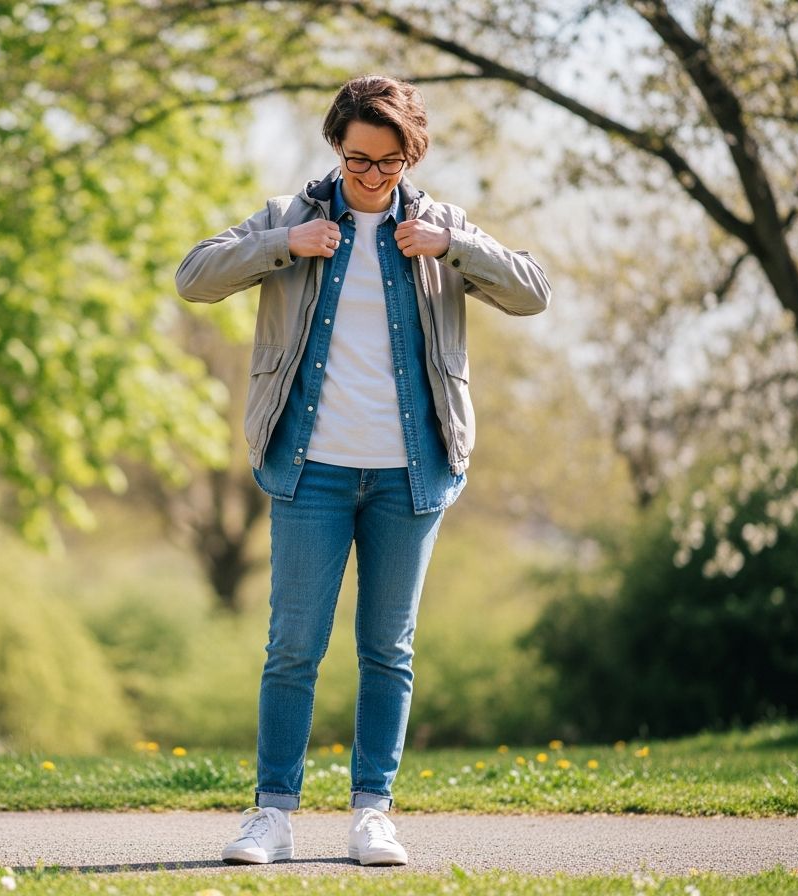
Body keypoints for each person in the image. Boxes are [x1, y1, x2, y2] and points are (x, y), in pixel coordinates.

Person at [175, 74, 550, 866]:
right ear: (336, 149)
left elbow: (533, 293)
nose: (370, 177)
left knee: (389, 651)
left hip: (409, 473)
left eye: (387, 162)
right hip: (311, 470)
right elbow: (193, 277)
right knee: (293, 648)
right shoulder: (292, 219)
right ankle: (271, 814)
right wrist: (282, 246)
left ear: (410, 156)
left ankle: (372, 814)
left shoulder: (440, 227)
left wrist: (454, 249)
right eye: (356, 160)